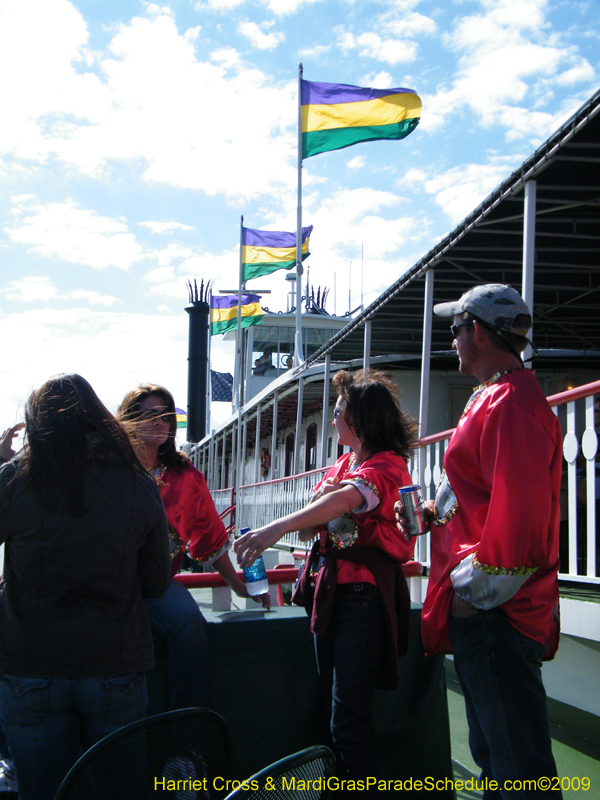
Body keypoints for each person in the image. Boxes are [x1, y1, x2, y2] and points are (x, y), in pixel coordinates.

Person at [396, 284, 562, 798]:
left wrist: (471, 596)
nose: (452, 342)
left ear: (480, 333)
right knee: (497, 755)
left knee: (517, 767)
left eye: (455, 330)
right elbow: (476, 487)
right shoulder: (495, 395)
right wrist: (432, 512)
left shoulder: (511, 405)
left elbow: (519, 523)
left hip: (497, 614)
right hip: (489, 612)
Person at [235, 369, 417, 788]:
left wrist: (273, 529)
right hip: (333, 592)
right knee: (335, 713)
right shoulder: (346, 464)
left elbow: (347, 500)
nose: (333, 419)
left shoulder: (386, 467)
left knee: (348, 722)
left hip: (361, 598)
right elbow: (312, 528)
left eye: (338, 412)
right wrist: (320, 506)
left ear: (360, 420)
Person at [0, 374, 170, 800]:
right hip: (114, 664)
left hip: (31, 666)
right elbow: (155, 583)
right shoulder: (138, 484)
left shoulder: (14, 480)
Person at [118, 384, 269, 710]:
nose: (159, 422)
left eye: (165, 416)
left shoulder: (184, 475)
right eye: (148, 415)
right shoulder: (111, 470)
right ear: (129, 419)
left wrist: (238, 586)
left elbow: (210, 537)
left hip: (156, 589)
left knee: (189, 623)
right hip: (108, 587)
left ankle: (186, 728)